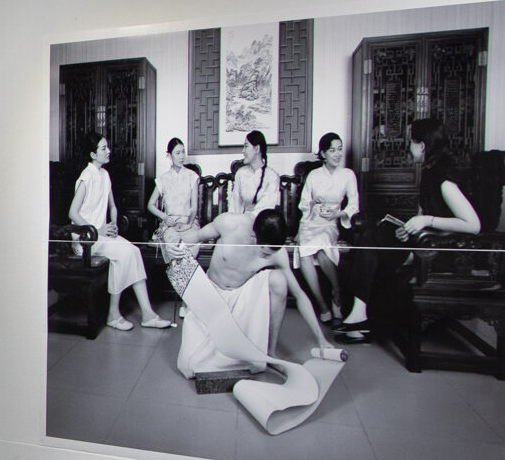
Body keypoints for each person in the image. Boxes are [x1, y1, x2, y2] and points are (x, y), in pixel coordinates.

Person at [167, 206, 348, 433]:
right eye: (264, 251)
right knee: (190, 366)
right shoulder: (230, 223)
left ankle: (269, 353)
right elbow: (196, 236)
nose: (268, 256)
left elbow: (300, 295)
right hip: (211, 297)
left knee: (280, 279)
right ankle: (233, 347)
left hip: (243, 297)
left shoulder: (277, 251)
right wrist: (175, 245)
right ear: (253, 235)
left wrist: (320, 339)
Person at [336, 117, 484, 343]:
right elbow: (426, 213)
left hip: (447, 254)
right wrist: (411, 227)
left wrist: (427, 221)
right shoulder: (430, 172)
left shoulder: (444, 180)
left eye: (411, 141)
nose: (408, 146)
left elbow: (473, 225)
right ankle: (361, 314)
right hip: (428, 243)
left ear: (422, 146)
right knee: (373, 237)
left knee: (372, 242)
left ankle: (360, 316)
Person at [65, 133, 171, 330]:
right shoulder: (86, 177)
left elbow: (112, 206)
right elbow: (73, 212)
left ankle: (147, 314)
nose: (108, 151)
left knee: (134, 251)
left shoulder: (104, 175)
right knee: (124, 254)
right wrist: (96, 229)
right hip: (85, 239)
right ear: (92, 154)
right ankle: (114, 314)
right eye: (103, 148)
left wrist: (113, 223)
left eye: (107, 147)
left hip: (102, 236)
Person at [291, 132, 358, 323]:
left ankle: (337, 290)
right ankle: (322, 305)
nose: (337, 154)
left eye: (339, 149)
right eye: (332, 150)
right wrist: (313, 201)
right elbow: (303, 204)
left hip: (330, 224)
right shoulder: (314, 175)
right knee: (304, 251)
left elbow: (354, 205)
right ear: (323, 153)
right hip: (310, 222)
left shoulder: (348, 175)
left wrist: (338, 214)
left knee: (321, 247)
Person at [146, 138, 203, 314]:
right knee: (174, 246)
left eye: (183, 152)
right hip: (170, 225)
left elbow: (195, 206)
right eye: (177, 153)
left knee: (189, 244)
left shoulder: (192, 177)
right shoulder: (163, 179)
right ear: (169, 155)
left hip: (189, 222)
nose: (181, 156)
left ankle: (187, 302)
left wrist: (187, 224)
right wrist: (165, 217)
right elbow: (150, 205)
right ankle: (187, 300)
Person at [229, 130, 276, 215]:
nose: (243, 151)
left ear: (257, 149)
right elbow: (234, 204)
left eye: (246, 146)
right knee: (221, 221)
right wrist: (236, 220)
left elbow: (265, 209)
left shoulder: (272, 176)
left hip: (260, 224)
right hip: (240, 222)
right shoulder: (241, 173)